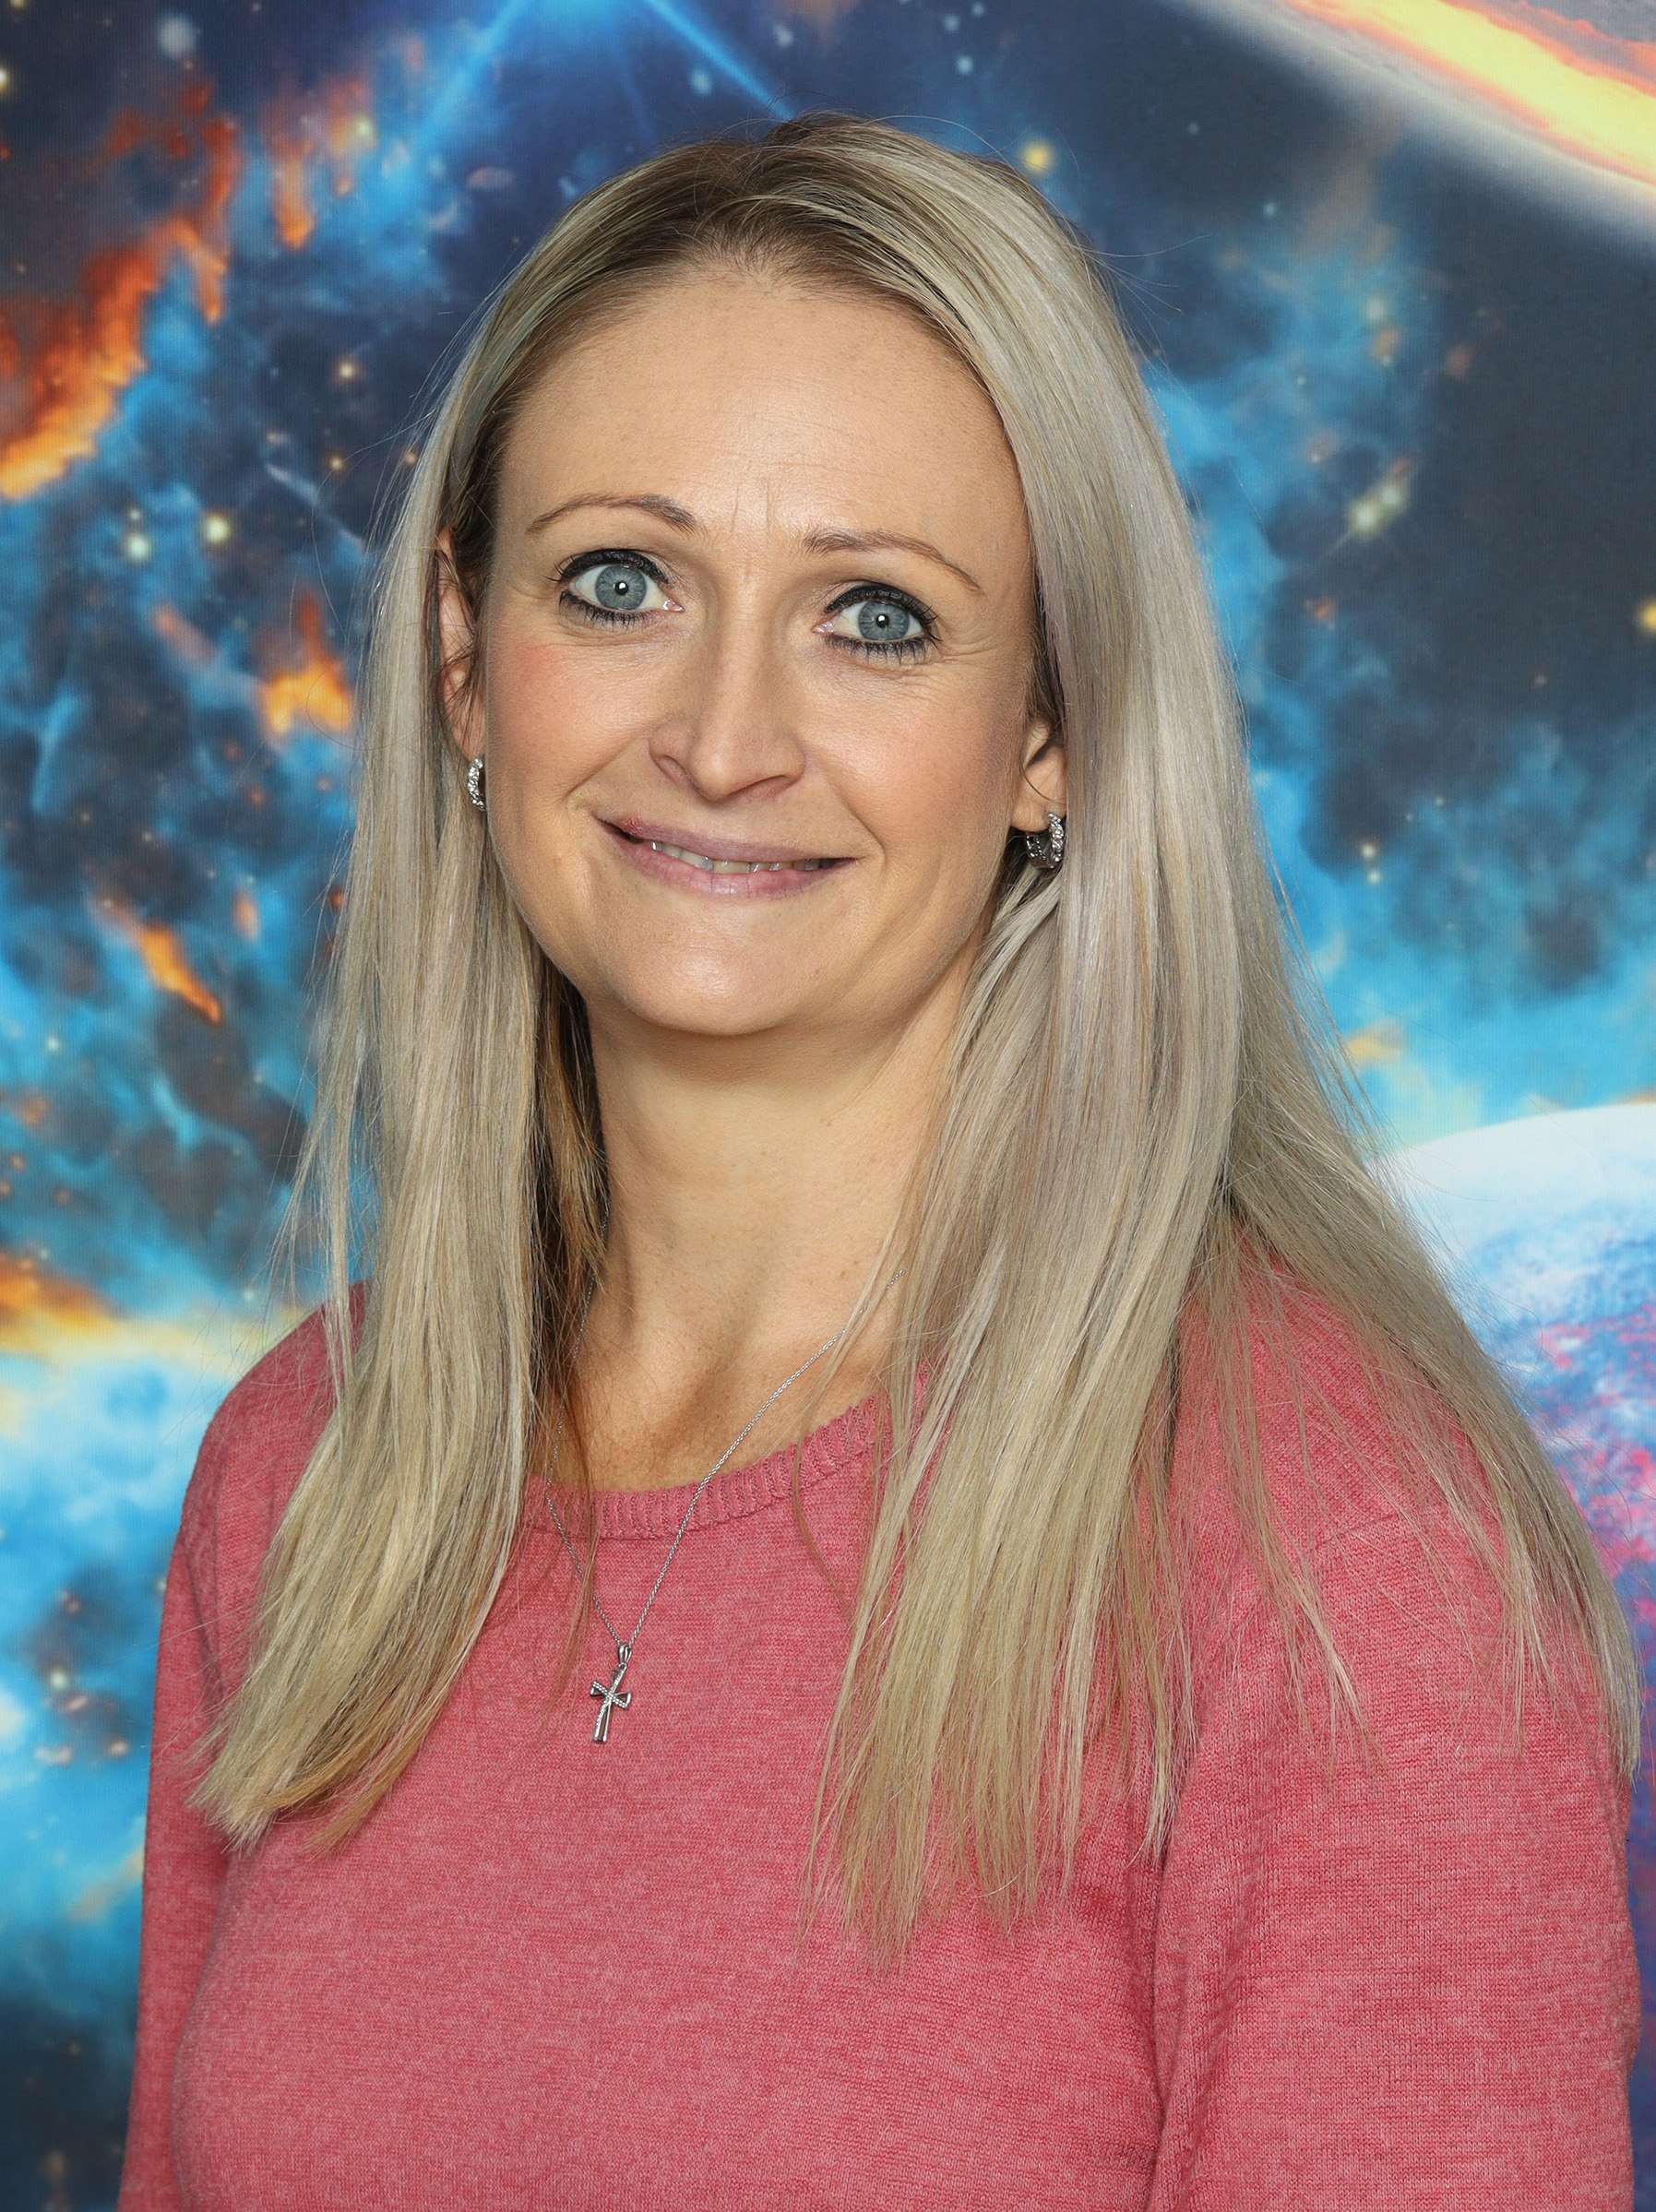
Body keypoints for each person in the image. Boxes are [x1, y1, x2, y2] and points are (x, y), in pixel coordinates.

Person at [117, 114, 1639, 2210]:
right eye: (621, 584)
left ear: (1053, 733)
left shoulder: (1341, 1553)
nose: (724, 735)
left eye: (876, 617)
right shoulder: (309, 1464)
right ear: (465, 659)